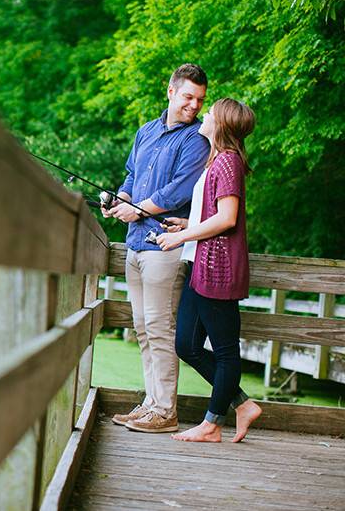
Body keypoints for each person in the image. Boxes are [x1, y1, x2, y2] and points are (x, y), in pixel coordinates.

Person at [103, 64, 210, 433]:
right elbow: (132, 175)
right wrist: (121, 199)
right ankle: (151, 404)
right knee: (142, 328)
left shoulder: (197, 140)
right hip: (135, 244)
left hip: (165, 246)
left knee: (160, 327)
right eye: (187, 97)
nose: (194, 106)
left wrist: (139, 209)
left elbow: (179, 191)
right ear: (170, 91)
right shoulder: (145, 132)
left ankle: (166, 412)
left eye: (199, 100)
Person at [156, 98, 262, 442]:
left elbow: (227, 219)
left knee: (226, 351)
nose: (204, 115)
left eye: (210, 112)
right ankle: (242, 404)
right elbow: (214, 215)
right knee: (186, 344)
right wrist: (186, 225)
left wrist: (183, 236)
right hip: (199, 265)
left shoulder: (227, 163)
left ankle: (212, 424)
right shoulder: (216, 161)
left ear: (222, 125)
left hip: (218, 270)